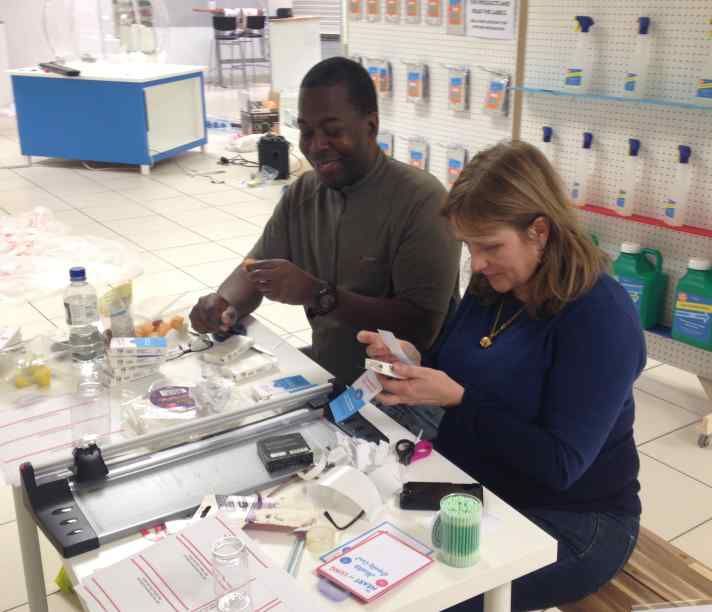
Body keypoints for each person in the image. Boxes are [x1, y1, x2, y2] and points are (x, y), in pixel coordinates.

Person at [358, 141, 644, 611]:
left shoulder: (599, 316)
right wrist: (413, 358)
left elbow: (559, 465)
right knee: (366, 565)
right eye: (469, 245)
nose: (479, 261)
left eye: (490, 245)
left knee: (426, 600)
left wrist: (459, 400)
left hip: (576, 517)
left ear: (539, 231)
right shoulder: (495, 285)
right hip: (479, 488)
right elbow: (460, 367)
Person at [190, 57, 460, 383]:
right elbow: (255, 267)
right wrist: (223, 303)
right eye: (306, 131)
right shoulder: (303, 193)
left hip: (405, 394)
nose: (316, 146)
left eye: (333, 132)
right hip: (328, 374)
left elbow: (421, 327)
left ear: (371, 127)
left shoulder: (422, 200)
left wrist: (319, 294)